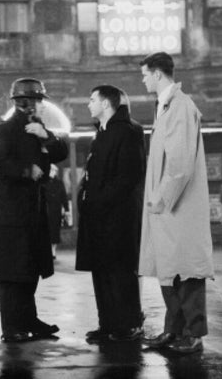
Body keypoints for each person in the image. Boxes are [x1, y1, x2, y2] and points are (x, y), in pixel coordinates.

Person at [0, 77, 68, 343]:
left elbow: (60, 152)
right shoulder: (7, 129)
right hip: (10, 213)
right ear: (27, 103)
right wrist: (25, 170)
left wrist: (47, 136)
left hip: (30, 212)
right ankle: (12, 327)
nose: (43, 106)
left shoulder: (37, 127)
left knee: (29, 269)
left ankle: (29, 320)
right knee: (12, 272)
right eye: (40, 101)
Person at [139, 52, 214, 355]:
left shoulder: (180, 106)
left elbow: (180, 164)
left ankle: (193, 334)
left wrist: (160, 199)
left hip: (177, 208)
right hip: (168, 210)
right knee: (171, 269)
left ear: (157, 74)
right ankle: (173, 330)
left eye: (145, 74)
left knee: (188, 270)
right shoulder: (166, 106)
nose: (143, 79)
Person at [76, 85, 146, 343]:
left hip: (119, 217)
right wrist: (85, 196)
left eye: (92, 99)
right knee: (101, 271)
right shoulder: (102, 132)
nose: (88, 104)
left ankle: (128, 325)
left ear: (106, 104)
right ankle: (107, 324)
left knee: (120, 272)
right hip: (98, 216)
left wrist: (97, 200)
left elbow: (128, 177)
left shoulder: (129, 131)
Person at [44, 165, 70, 260]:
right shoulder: (44, 182)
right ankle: (48, 251)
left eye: (55, 170)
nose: (53, 172)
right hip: (46, 211)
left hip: (55, 211)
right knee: (47, 232)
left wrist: (66, 209)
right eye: (52, 170)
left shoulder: (59, 183)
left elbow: (63, 196)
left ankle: (53, 251)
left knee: (55, 232)